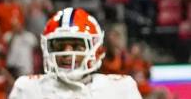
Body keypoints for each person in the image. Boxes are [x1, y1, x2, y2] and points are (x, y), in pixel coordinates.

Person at [8, 8, 141, 98]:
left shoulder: (120, 88)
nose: (67, 53)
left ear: (96, 49)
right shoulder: (28, 88)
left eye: (77, 46)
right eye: (59, 46)